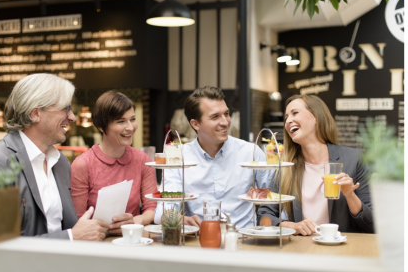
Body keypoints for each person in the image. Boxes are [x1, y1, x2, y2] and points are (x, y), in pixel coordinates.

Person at [0, 73, 109, 240]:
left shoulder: (61, 162)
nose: (72, 117)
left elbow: (66, 227)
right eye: (66, 108)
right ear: (35, 114)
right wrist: (71, 237)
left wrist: (105, 226)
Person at [154, 86, 275, 229]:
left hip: (245, 239)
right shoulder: (178, 157)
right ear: (195, 124)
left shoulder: (251, 152)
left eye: (226, 114)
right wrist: (180, 220)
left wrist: (265, 227)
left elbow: (273, 200)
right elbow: (163, 211)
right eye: (215, 116)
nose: (225, 122)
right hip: (199, 240)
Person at [257, 94, 374, 234]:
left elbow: (372, 224)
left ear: (316, 117)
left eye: (295, 113)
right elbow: (264, 217)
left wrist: (350, 195)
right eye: (286, 117)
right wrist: (293, 226)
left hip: (344, 250)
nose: (288, 121)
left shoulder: (353, 159)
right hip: (303, 249)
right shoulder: (287, 167)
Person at [71, 91, 158, 235]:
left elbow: (152, 207)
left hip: (132, 239)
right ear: (101, 126)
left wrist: (135, 222)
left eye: (133, 119)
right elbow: (77, 220)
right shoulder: (83, 164)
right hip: (95, 243)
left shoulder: (143, 161)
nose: (130, 127)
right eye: (121, 121)